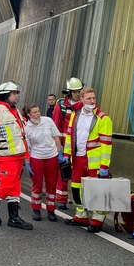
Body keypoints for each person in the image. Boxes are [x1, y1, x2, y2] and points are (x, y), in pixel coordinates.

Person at [0, 81, 33, 230]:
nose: (17, 96)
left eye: (16, 94)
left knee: (15, 185)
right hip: (5, 154)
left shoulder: (14, 110)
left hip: (17, 154)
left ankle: (14, 218)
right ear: (6, 95)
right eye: (14, 94)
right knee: (7, 183)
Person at [62, 87, 112, 233]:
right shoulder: (75, 115)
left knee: (96, 191)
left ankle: (97, 220)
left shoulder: (103, 118)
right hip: (77, 158)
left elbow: (106, 144)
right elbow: (69, 136)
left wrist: (104, 166)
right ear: (82, 99)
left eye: (94, 98)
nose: (92, 101)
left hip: (94, 162)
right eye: (89, 98)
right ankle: (81, 215)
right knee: (76, 188)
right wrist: (66, 154)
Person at [23, 104, 62, 222]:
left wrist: (59, 152)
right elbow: (27, 147)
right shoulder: (27, 128)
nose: (38, 114)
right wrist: (27, 163)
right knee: (37, 184)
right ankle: (36, 209)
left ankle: (51, 210)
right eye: (35, 112)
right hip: (36, 157)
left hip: (51, 156)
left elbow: (56, 137)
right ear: (29, 115)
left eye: (38, 111)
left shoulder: (48, 121)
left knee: (51, 183)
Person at [52, 77, 85, 210]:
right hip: (65, 144)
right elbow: (56, 127)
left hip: (81, 145)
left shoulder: (85, 104)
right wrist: (58, 148)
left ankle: (81, 200)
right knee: (64, 172)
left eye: (79, 91)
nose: (78, 94)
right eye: (75, 91)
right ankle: (61, 199)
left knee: (80, 172)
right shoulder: (61, 105)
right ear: (69, 92)